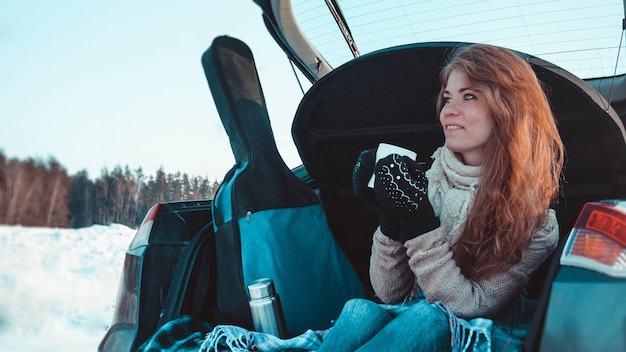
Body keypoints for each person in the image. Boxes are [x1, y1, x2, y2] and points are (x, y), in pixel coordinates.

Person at [315, 43, 565, 352]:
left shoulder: (536, 222)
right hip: (417, 320)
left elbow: (468, 306)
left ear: (509, 109)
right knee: (359, 310)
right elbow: (389, 294)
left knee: (426, 319)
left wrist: (419, 222)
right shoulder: (424, 179)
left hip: (481, 334)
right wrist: (390, 216)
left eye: (469, 96)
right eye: (447, 97)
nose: (448, 110)